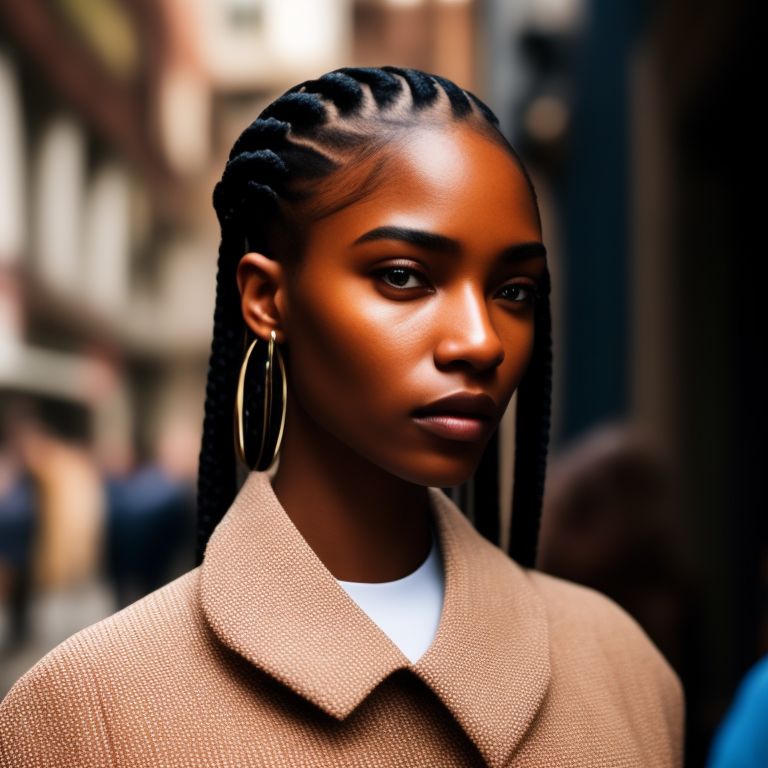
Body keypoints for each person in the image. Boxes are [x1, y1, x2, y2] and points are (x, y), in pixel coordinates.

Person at [0, 66, 683, 767]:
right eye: (403, 276)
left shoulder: (628, 673)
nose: (481, 341)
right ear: (267, 298)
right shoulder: (83, 717)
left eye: (514, 290)